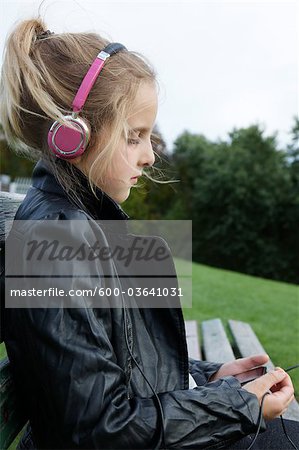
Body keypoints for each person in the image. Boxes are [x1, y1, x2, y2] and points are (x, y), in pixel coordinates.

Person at [0, 18, 298, 450]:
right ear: (72, 136)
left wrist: (207, 377)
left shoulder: (81, 225)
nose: (149, 155)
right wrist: (238, 406)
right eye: (134, 137)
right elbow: (99, 430)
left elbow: (116, 360)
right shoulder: (56, 244)